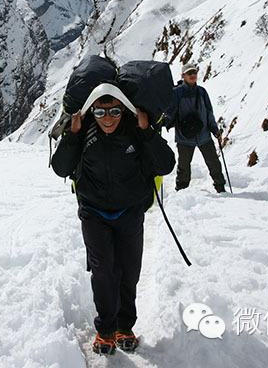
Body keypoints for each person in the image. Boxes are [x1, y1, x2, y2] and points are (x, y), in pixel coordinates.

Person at [51, 83, 175, 356]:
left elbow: (166, 163)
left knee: (129, 271)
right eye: (100, 112)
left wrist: (147, 132)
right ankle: (106, 329)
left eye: (115, 111)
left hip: (130, 211)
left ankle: (124, 326)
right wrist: (72, 136)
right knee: (104, 271)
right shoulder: (83, 133)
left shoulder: (136, 132)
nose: (108, 118)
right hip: (94, 213)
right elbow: (60, 167)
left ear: (124, 110)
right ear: (91, 111)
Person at [164, 62, 227, 193]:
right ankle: (181, 190)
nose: (192, 75)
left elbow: (209, 112)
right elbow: (170, 111)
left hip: (202, 134)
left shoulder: (202, 92)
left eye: (194, 73)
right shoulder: (177, 92)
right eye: (189, 73)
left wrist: (214, 129)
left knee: (213, 162)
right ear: (183, 76)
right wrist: (163, 122)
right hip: (185, 136)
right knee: (184, 166)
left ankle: (220, 187)